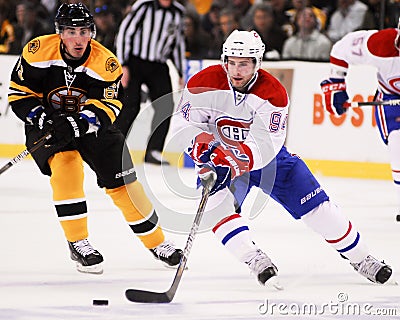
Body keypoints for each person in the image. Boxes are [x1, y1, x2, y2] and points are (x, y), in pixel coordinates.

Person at [169, 29, 393, 286]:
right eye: (232, 63)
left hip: (268, 160)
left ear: (257, 63)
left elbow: (267, 144)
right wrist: (205, 150)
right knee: (215, 207)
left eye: (244, 64)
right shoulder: (202, 82)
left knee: (316, 207)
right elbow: (181, 127)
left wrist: (233, 159)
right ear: (224, 61)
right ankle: (255, 259)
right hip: (218, 158)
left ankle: (362, 258)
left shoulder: (273, 92)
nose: (237, 71)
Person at [8, 3, 183, 274]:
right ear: (59, 33)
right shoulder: (38, 51)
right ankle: (78, 243)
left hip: (90, 127)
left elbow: (109, 107)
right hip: (48, 124)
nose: (78, 39)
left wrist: (77, 123)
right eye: (70, 31)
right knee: (66, 167)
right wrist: (44, 119)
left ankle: (157, 243)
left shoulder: (106, 63)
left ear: (92, 32)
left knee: (124, 182)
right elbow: (19, 95)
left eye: (83, 31)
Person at [320, 18, 400, 222]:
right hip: (392, 102)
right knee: (398, 144)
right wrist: (336, 84)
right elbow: (342, 48)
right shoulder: (381, 44)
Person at [115, 0, 185, 165]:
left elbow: (178, 43)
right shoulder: (144, 5)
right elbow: (125, 32)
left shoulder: (178, 12)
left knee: (165, 105)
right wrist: (123, 64)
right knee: (130, 105)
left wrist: (181, 71)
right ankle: (115, 146)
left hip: (159, 64)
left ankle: (154, 150)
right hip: (134, 61)